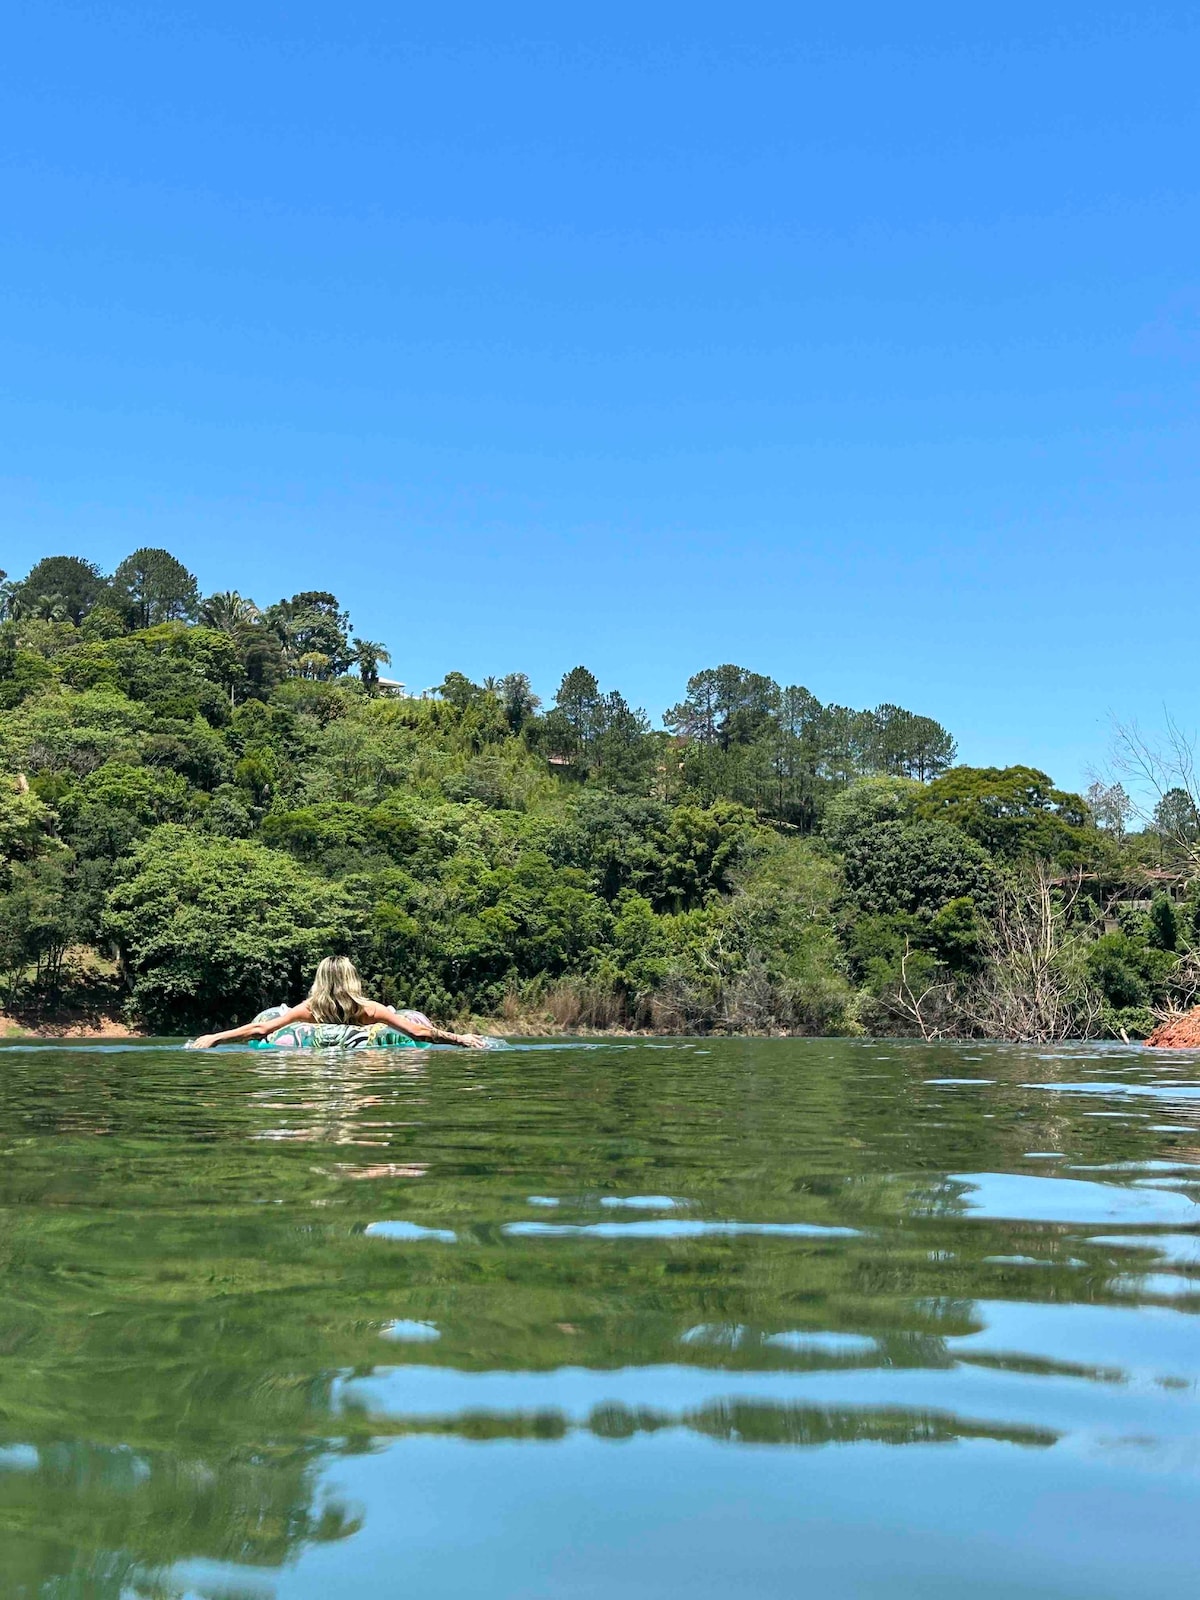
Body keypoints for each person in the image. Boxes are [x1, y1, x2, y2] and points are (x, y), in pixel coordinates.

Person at [187, 956, 491, 1050]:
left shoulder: (310, 1009)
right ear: (352, 978)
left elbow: (262, 1029)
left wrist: (216, 1037)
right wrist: (460, 1039)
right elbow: (419, 1033)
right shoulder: (369, 1009)